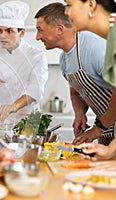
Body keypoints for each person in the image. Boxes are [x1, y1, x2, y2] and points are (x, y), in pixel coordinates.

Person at [35, 2, 115, 146]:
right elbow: (76, 93)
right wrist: (79, 113)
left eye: (40, 30)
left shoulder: (94, 48)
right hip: (106, 129)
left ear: (59, 29)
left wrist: (98, 129)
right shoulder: (64, 59)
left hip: (105, 126)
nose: (37, 37)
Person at [0, 1, 48, 125]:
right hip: (0, 121)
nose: (2, 36)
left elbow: (35, 90)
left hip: (28, 123)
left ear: (21, 33)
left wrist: (13, 106)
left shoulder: (35, 56)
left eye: (9, 31)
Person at [64, 0, 116, 162]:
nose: (65, 12)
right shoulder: (111, 40)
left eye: (69, 5)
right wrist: (111, 150)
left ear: (91, 4)